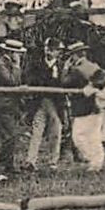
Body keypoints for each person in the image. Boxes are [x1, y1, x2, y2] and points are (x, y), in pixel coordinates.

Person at [60, 42, 105, 172]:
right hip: (95, 106)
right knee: (93, 136)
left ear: (75, 56)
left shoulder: (77, 69)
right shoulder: (94, 66)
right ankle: (96, 162)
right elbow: (103, 80)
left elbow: (64, 83)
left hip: (83, 107)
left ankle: (94, 161)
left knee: (78, 137)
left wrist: (65, 69)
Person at [24, 39, 66, 172]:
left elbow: (63, 83)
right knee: (37, 131)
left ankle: (53, 161)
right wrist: (49, 76)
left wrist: (54, 77)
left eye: (56, 50)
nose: (54, 52)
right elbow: (31, 80)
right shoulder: (36, 64)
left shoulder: (61, 66)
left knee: (56, 132)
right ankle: (30, 161)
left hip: (55, 103)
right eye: (53, 49)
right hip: (39, 102)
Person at [0, 38, 29, 177]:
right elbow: (12, 82)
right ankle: (1, 165)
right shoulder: (0, 65)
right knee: (9, 136)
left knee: (12, 136)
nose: (19, 56)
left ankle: (9, 164)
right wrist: (17, 67)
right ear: (11, 52)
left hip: (12, 104)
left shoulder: (8, 64)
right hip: (4, 104)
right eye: (17, 53)